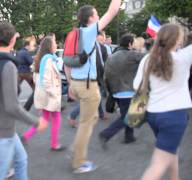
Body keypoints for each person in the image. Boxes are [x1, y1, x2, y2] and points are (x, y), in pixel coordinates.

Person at [0, 22, 47, 180]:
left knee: (21, 161)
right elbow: (12, 106)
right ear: (13, 40)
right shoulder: (7, 65)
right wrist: (36, 122)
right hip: (2, 128)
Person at [64, 0, 121, 173]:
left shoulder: (75, 34)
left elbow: (67, 63)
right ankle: (78, 162)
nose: (98, 16)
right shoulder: (89, 32)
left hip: (78, 82)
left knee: (91, 118)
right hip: (88, 86)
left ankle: (76, 151)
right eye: (96, 14)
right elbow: (113, 11)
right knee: (86, 124)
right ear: (90, 19)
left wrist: (71, 85)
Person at [134, 24, 190, 180]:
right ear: (178, 39)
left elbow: (136, 85)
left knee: (170, 149)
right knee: (158, 164)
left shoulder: (148, 58)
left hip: (153, 114)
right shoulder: (183, 57)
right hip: (174, 116)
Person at [99, 33, 145, 149]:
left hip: (116, 92)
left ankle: (129, 136)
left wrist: (110, 92)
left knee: (127, 114)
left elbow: (106, 76)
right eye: (133, 42)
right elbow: (148, 58)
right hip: (128, 91)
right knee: (129, 116)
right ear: (130, 44)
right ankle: (106, 134)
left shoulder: (112, 56)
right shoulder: (131, 55)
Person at [22, 36, 65, 151]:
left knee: (44, 120)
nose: (56, 45)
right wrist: (54, 93)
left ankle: (26, 136)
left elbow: (37, 78)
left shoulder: (42, 59)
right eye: (55, 43)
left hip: (46, 96)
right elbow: (46, 81)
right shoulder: (48, 60)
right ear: (49, 46)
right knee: (55, 120)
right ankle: (54, 144)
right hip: (50, 96)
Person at [17, 37, 37, 111]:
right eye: (31, 45)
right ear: (27, 45)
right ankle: (27, 106)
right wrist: (34, 58)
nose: (31, 47)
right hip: (26, 73)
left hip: (19, 73)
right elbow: (30, 62)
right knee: (36, 89)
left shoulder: (19, 52)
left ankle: (12, 103)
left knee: (16, 88)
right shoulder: (25, 52)